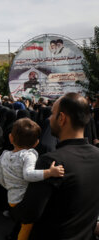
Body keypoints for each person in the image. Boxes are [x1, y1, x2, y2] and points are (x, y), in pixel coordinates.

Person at [11, 93, 99, 240]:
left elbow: (29, 214)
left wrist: (13, 203)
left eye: (52, 114)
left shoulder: (51, 162)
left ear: (62, 118)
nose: (49, 118)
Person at [0, 118, 64, 240]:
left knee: (21, 223)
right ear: (36, 143)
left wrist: (11, 187)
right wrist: (49, 172)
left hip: (11, 198)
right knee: (26, 226)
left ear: (11, 138)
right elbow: (29, 174)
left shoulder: (5, 154)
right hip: (24, 199)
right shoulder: (29, 155)